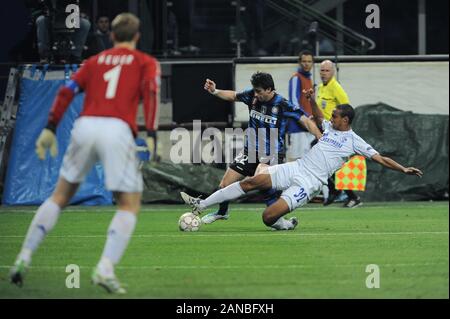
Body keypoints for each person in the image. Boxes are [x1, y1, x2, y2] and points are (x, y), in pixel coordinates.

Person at [9, 13, 160, 294]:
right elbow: (150, 93)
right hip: (117, 129)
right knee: (128, 204)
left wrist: (51, 127)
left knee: (59, 196)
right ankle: (105, 268)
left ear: (112, 37)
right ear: (137, 37)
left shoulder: (93, 62)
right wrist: (151, 133)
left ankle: (24, 256)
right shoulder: (145, 62)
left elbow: (66, 91)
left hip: (85, 125)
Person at [180, 89, 423, 230]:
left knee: (268, 218)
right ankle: (201, 205)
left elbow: (380, 158)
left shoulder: (354, 141)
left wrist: (403, 169)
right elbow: (318, 117)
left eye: (336, 116)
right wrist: (313, 100)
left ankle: (286, 224)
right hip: (296, 167)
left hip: (309, 183)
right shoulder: (330, 128)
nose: (332, 117)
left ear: (345, 121)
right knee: (251, 182)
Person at [199, 72, 323, 229]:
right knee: (225, 185)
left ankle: (280, 221)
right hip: (249, 151)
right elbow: (234, 96)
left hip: (272, 154)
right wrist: (215, 91)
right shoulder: (252, 95)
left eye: (259, 91)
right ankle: (222, 212)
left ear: (269, 89)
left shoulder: (283, 104)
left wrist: (320, 137)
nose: (255, 94)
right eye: (254, 90)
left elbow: (306, 121)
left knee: (262, 182)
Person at [317, 59, 361, 208]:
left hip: (335, 132)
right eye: (322, 70)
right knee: (332, 164)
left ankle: (336, 190)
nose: (324, 73)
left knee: (324, 160)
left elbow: (347, 108)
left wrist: (344, 131)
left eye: (327, 70)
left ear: (333, 72)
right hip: (324, 130)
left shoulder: (336, 87)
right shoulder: (321, 88)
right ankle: (346, 194)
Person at [286, 50, 315, 162]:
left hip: (307, 126)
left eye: (309, 61)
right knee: (294, 161)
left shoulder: (309, 79)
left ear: (312, 63)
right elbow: (294, 103)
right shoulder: (296, 78)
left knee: (305, 160)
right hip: (297, 127)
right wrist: (306, 117)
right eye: (304, 61)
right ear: (299, 62)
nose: (306, 64)